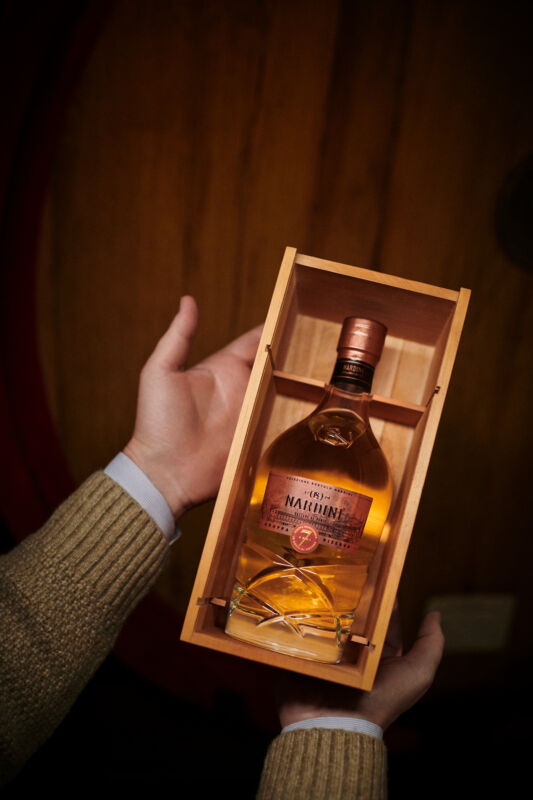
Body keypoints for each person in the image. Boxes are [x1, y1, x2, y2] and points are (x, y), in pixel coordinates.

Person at [0, 296, 444, 797]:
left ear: (355, 357)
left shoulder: (366, 461)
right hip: (256, 616)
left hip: (319, 636)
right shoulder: (334, 451)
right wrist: (333, 727)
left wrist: (157, 473)